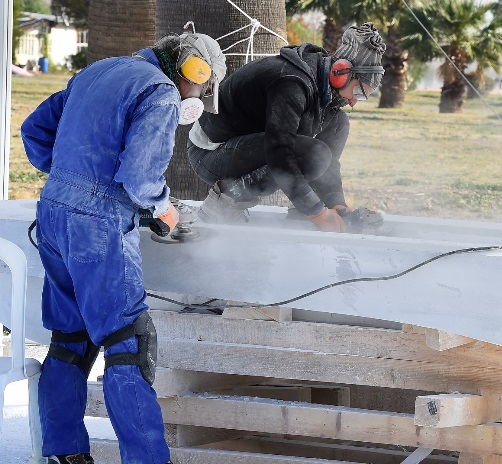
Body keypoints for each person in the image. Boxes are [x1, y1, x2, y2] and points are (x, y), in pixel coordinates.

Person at [20, 31, 226, 464]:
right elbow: (140, 178)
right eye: (204, 90)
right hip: (98, 228)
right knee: (128, 342)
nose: (199, 100)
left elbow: (34, 130)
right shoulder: (162, 91)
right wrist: (164, 209)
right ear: (194, 70)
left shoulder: (99, 69)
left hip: (54, 216)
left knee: (69, 337)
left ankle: (64, 452)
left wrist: (67, 181)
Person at [188, 22, 386, 231]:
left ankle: (303, 211)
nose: (354, 102)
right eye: (358, 92)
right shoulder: (291, 82)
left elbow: (328, 165)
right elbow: (280, 153)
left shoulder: (323, 88)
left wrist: (335, 204)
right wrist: (317, 212)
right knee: (311, 154)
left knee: (338, 123)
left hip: (246, 146)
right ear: (341, 72)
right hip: (210, 153)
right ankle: (225, 202)